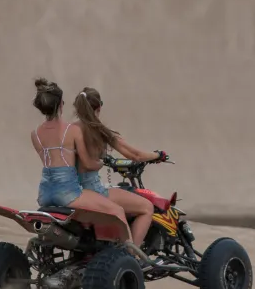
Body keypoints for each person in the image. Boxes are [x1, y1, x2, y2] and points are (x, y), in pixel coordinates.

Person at [30, 79, 167, 257]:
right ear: (98, 108)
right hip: (84, 191)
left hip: (46, 191)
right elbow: (135, 155)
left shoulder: (47, 132)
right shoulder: (91, 132)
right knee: (146, 207)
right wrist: (158, 155)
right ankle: (132, 258)